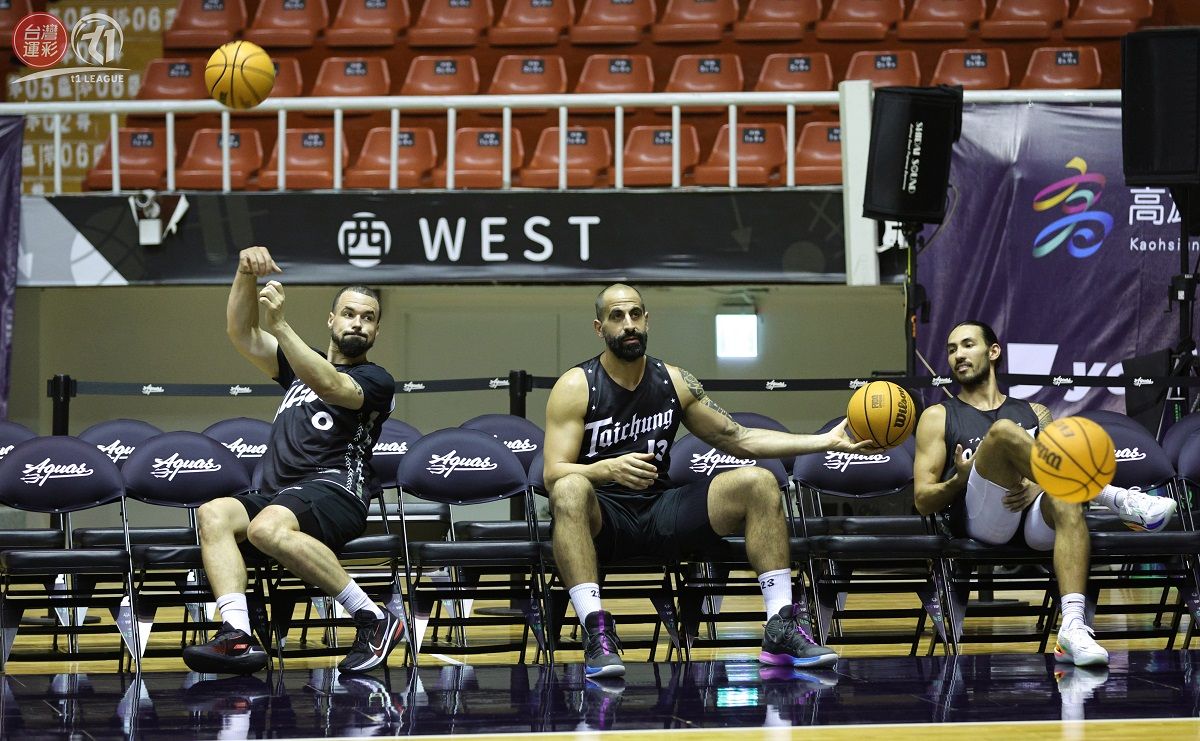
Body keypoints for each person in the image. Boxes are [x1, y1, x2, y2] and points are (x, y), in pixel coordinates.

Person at [543, 284, 875, 679]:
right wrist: (606, 470)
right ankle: (597, 631)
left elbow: (738, 438)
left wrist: (825, 441)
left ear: (647, 320)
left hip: (660, 510)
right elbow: (553, 473)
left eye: (635, 314)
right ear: (600, 328)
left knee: (759, 482)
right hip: (602, 516)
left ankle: (781, 626)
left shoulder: (674, 381)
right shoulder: (576, 385)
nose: (628, 324)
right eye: (617, 317)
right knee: (569, 487)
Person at [184, 245, 403, 675]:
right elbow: (241, 332)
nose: (358, 322)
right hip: (277, 493)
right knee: (214, 513)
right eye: (349, 313)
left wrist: (281, 325)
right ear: (331, 319)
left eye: (368, 317)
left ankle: (373, 618)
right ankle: (236, 634)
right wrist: (245, 273)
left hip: (336, 489)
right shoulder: (295, 369)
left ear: (376, 331)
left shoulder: (376, 379)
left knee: (265, 528)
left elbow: (332, 385)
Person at [912, 320, 1177, 667]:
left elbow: (1059, 469)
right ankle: (1114, 498)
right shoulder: (937, 416)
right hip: (983, 521)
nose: (958, 355)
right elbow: (922, 500)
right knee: (1003, 432)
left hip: (1034, 522)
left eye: (967, 345)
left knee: (1064, 494)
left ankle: (1072, 627)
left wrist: (1038, 483)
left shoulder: (1036, 413)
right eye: (951, 350)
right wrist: (959, 480)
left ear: (993, 352)